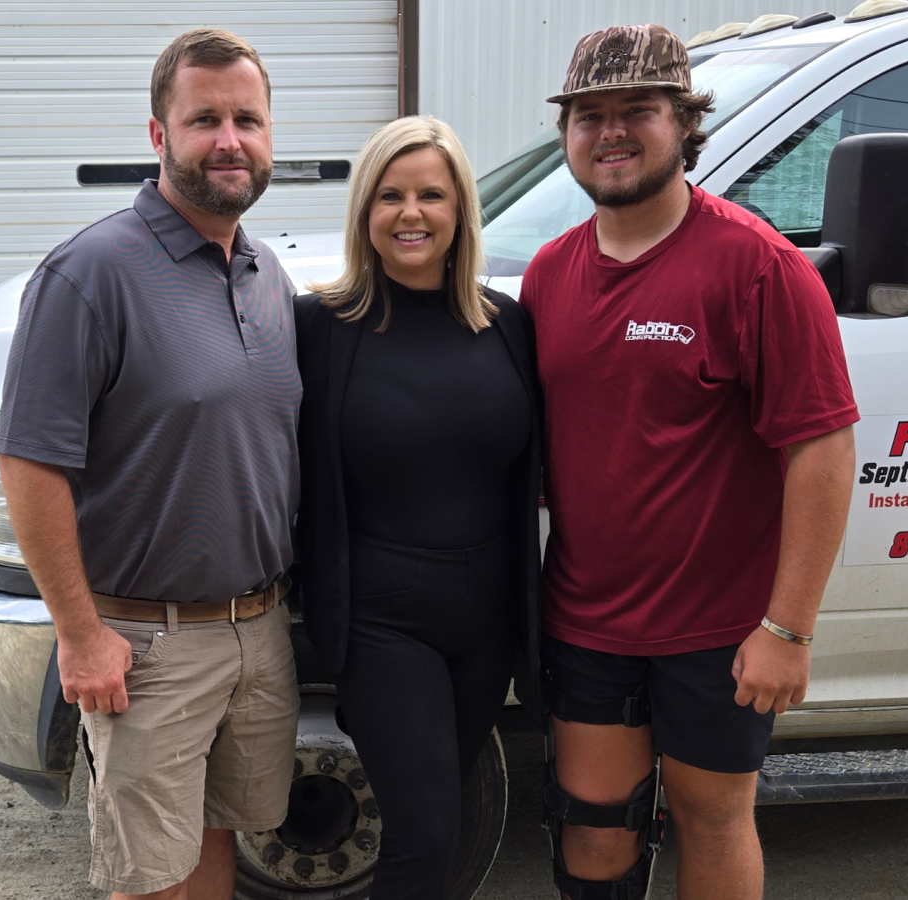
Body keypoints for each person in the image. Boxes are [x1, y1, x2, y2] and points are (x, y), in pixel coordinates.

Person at [521, 25, 858, 900]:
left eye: (638, 110)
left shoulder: (760, 268)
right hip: (586, 621)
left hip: (719, 633)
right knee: (593, 834)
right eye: (589, 115)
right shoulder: (549, 275)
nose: (611, 132)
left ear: (685, 124)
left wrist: (788, 630)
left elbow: (820, 448)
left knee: (712, 822)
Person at [0, 29, 301, 900]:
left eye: (248, 118)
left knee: (213, 848)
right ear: (159, 136)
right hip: (148, 643)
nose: (230, 139)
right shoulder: (90, 274)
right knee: (148, 876)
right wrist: (81, 634)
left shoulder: (265, 273)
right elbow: (29, 462)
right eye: (205, 119)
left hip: (258, 628)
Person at [292, 115, 542, 900]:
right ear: (364, 210)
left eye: (432, 194)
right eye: (390, 195)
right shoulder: (320, 329)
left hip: (487, 624)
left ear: (461, 208)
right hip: (381, 621)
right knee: (425, 835)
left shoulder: (509, 326)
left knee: (444, 824)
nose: (411, 213)